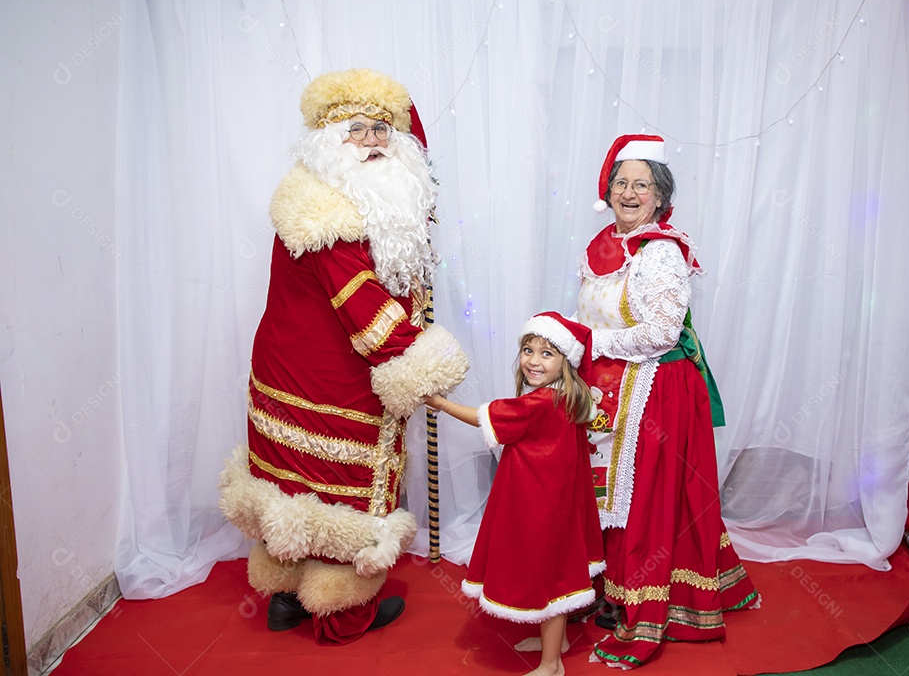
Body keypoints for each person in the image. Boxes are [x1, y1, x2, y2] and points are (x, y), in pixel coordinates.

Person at [218, 68, 469, 645]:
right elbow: (362, 304)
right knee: (344, 492)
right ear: (329, 138)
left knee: (290, 483)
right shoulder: (329, 213)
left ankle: (284, 600)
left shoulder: (347, 195)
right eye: (359, 129)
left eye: (384, 129)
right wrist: (419, 362)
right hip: (338, 381)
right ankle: (342, 614)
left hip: (287, 370)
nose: (375, 140)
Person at [579, 134, 759, 668]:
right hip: (613, 385)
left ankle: (652, 600)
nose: (630, 193)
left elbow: (660, 332)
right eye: (622, 182)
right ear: (607, 188)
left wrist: (586, 343)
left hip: (658, 386)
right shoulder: (601, 245)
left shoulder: (661, 252)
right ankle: (617, 587)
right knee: (613, 491)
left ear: (660, 197)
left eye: (643, 185)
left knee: (650, 495)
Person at [426, 312, 604, 676]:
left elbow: (485, 417)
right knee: (557, 571)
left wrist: (442, 404)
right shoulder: (565, 397)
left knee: (548, 581)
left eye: (547, 353)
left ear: (565, 362)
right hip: (552, 501)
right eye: (528, 350)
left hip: (540, 505)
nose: (533, 361)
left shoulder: (540, 403)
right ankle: (560, 641)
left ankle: (552, 664)